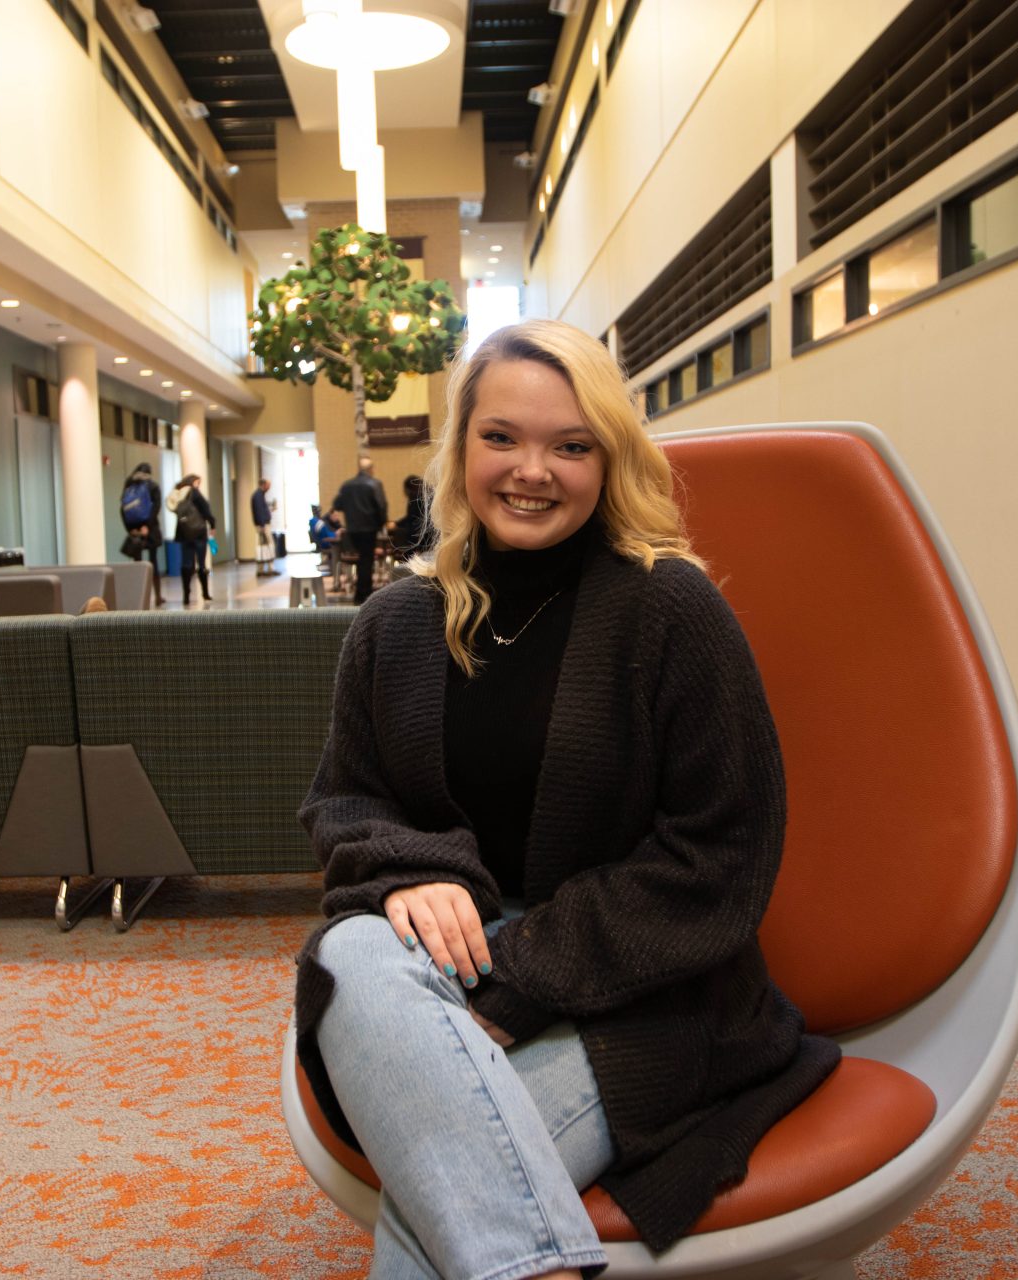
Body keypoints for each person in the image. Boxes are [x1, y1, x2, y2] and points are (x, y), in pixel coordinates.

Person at [293, 319, 838, 1279]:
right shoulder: (394, 623)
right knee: (348, 949)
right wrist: (409, 874)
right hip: (446, 970)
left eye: (570, 445)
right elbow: (346, 802)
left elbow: (722, 857)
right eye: (502, 436)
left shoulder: (672, 609)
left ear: (609, 459)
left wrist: (522, 980)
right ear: (461, 446)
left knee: (446, 1191)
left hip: (646, 996)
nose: (531, 470)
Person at [331, 455, 389, 603]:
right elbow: (381, 507)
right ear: (370, 469)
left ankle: (361, 593)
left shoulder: (347, 485)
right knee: (366, 561)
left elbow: (337, 504)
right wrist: (382, 524)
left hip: (352, 530)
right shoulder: (375, 484)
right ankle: (364, 594)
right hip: (369, 529)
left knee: (361, 561)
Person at [118, 462, 166, 606]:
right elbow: (156, 507)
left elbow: (123, 508)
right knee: (153, 562)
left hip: (133, 529)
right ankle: (157, 597)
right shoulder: (153, 486)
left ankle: (138, 596)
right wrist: (147, 526)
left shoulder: (129, 484)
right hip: (150, 528)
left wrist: (130, 529)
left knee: (137, 563)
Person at [167, 472, 216, 605]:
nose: (198, 485)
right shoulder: (194, 492)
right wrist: (212, 524)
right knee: (201, 563)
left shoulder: (177, 492)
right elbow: (205, 509)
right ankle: (205, 593)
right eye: (198, 482)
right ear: (193, 482)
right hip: (198, 532)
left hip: (184, 533)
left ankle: (186, 595)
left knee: (186, 563)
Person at [388, 472, 430, 561]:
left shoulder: (414, 496)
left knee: (409, 557)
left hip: (415, 533)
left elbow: (410, 517)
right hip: (428, 533)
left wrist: (396, 524)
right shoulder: (428, 493)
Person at [250, 476, 278, 576]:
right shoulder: (257, 496)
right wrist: (262, 524)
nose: (269, 487)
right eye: (268, 485)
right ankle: (268, 568)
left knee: (264, 546)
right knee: (268, 546)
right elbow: (258, 511)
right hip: (263, 525)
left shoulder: (260, 495)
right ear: (263, 485)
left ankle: (263, 568)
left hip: (263, 523)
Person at [308, 505, 341, 577]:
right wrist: (336, 534)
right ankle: (336, 574)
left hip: (321, 543)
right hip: (325, 545)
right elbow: (326, 535)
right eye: (335, 515)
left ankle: (336, 571)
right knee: (339, 549)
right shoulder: (319, 523)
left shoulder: (314, 522)